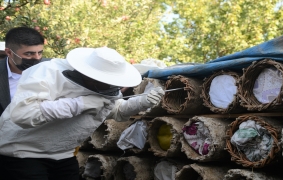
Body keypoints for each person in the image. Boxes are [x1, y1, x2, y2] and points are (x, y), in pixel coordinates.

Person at [0, 46, 164, 179]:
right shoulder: (49, 72)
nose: (111, 85)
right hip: (21, 153)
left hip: (62, 154)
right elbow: (23, 114)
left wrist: (143, 102)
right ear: (90, 75)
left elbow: (116, 110)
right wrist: (81, 103)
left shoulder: (107, 88)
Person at [0, 27, 45, 116]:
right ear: (9, 52)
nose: (37, 58)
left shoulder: (49, 70)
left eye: (39, 53)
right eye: (28, 54)